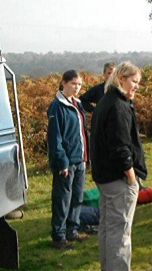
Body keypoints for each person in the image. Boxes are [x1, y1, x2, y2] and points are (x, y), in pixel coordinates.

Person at [90, 61, 149, 271]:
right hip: (117, 178)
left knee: (107, 228)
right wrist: (132, 177)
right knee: (120, 230)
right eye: (134, 82)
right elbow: (121, 147)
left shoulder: (106, 101)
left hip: (104, 177)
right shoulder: (118, 106)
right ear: (121, 78)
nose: (136, 87)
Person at [47, 70, 89, 249]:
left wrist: (86, 157)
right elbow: (55, 138)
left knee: (77, 197)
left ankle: (72, 230)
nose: (77, 88)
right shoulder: (57, 106)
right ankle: (59, 235)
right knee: (63, 198)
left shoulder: (77, 104)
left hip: (80, 160)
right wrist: (62, 162)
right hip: (66, 162)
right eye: (73, 84)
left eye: (79, 84)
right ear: (63, 83)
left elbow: (82, 133)